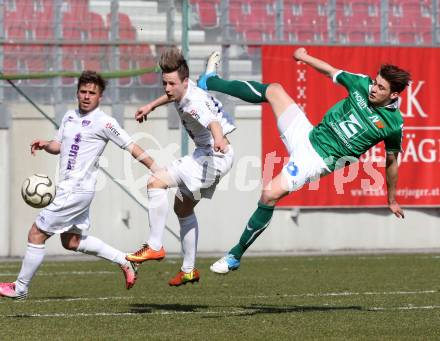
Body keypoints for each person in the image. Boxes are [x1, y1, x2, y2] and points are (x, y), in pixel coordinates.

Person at [197, 48, 411, 274]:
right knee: (275, 90)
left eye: (380, 88)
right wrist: (304, 57)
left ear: (394, 95)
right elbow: (330, 71)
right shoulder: (360, 84)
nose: (373, 89)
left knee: (269, 194)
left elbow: (391, 161)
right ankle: (210, 81)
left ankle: (235, 255)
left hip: (318, 160)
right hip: (308, 135)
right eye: (375, 83)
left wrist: (392, 198)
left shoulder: (393, 124)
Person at [0, 70, 159, 300]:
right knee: (71, 241)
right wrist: (46, 144)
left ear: (100, 97)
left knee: (36, 234)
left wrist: (155, 168)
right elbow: (60, 145)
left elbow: (131, 146)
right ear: (77, 93)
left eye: (92, 93)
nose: (86, 96)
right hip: (73, 190)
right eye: (83, 92)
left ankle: (20, 288)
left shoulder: (105, 122)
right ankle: (125, 260)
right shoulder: (69, 117)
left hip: (75, 190)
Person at [126, 47, 235, 286]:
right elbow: (173, 95)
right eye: (164, 83)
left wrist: (217, 138)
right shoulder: (185, 88)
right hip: (215, 156)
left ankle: (154, 245)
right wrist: (151, 106)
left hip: (212, 156)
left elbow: (213, 122)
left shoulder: (192, 103)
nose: (167, 89)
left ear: (185, 82)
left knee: (156, 182)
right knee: (182, 209)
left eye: (171, 84)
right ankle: (189, 270)